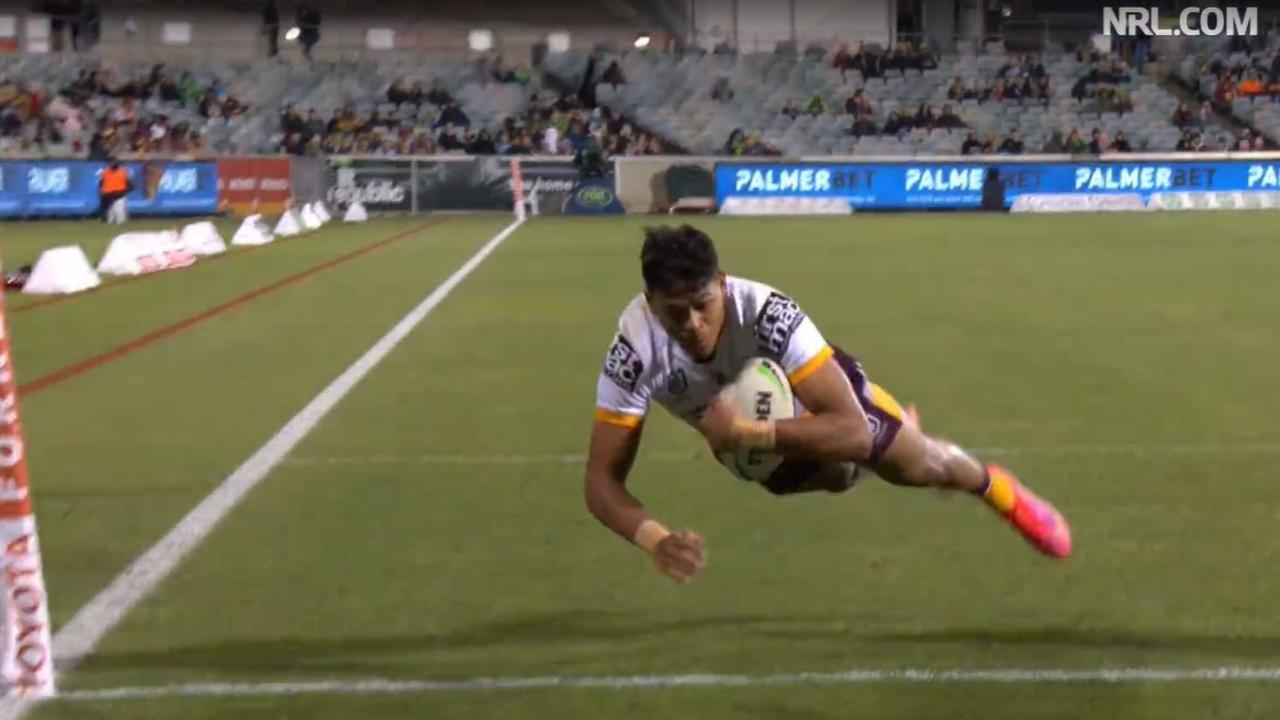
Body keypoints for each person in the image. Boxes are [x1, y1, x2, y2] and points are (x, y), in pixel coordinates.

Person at [584, 226, 1073, 584]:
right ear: (650, 304)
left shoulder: (768, 312)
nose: (692, 322)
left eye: (702, 304)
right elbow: (601, 482)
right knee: (838, 477)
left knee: (916, 465)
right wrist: (657, 540)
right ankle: (892, 434)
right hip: (747, 447)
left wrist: (746, 434)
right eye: (675, 312)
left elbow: (853, 431)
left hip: (811, 400)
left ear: (724, 284)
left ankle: (996, 490)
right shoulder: (633, 351)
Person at [98, 158, 131, 222]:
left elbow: (129, 184)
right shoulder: (105, 172)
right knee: (109, 211)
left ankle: (118, 222)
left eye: (114, 162)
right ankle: (106, 220)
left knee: (119, 211)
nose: (112, 164)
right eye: (111, 163)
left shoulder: (123, 172)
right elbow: (101, 184)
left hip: (119, 194)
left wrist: (124, 191)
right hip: (108, 194)